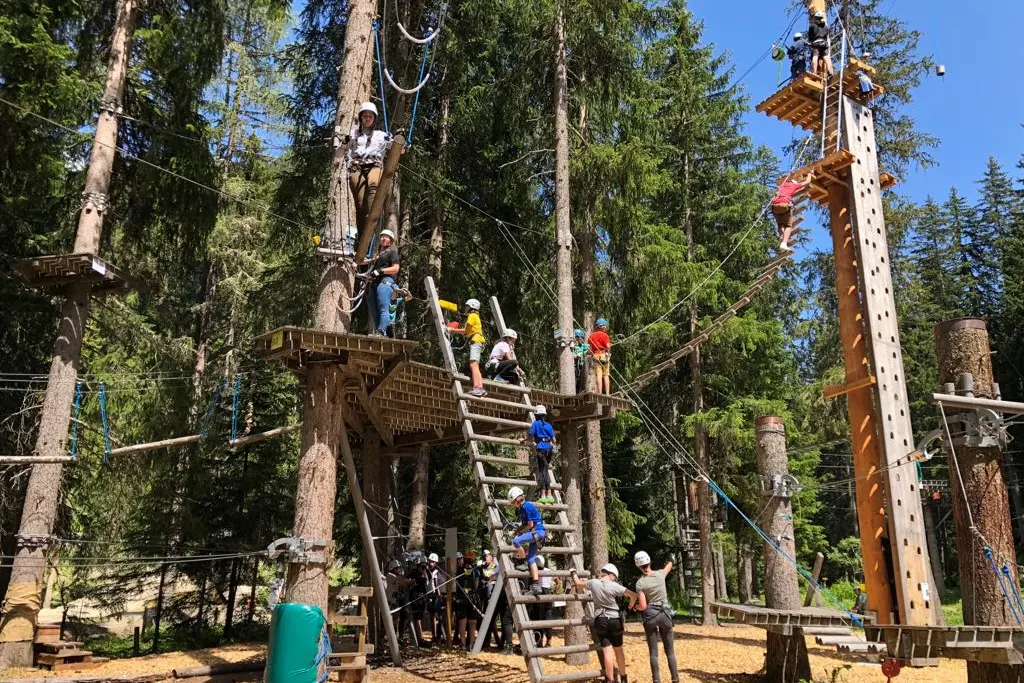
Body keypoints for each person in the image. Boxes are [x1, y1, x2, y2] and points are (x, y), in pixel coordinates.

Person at [569, 564, 637, 683]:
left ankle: (610, 680)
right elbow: (633, 595)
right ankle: (623, 678)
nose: (615, 579)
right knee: (618, 650)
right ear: (611, 575)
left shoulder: (593, 583)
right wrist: (629, 609)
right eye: (615, 577)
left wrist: (573, 572)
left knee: (607, 650)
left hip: (600, 620)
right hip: (615, 619)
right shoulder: (614, 586)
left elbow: (578, 583)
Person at [634, 551, 679, 683]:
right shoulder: (660, 574)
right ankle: (675, 679)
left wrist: (635, 607)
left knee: (653, 653)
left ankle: (656, 680)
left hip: (650, 617)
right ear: (649, 561)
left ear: (638, 566)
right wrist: (671, 560)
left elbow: (643, 606)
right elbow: (669, 566)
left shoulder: (640, 583)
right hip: (664, 614)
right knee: (670, 651)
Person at [346, 102, 390, 231]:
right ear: (361, 117)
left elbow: (398, 149)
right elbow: (340, 152)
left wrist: (403, 144)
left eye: (370, 116)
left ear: (374, 118)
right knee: (361, 203)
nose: (367, 118)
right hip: (357, 167)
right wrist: (343, 143)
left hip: (374, 164)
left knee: (373, 185)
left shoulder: (381, 135)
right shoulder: (353, 134)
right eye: (365, 116)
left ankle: (373, 221)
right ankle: (362, 233)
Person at [358, 229, 400, 336]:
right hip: (374, 285)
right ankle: (385, 332)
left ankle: (382, 331)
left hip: (385, 282)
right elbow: (364, 262)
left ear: (390, 241)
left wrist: (381, 271)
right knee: (374, 312)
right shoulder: (377, 256)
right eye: (382, 236)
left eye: (386, 237)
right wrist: (354, 262)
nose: (383, 238)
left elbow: (396, 268)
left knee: (383, 308)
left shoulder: (392, 253)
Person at [508, 486, 546, 594]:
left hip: (537, 532)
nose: (512, 505)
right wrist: (516, 531)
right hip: (538, 533)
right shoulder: (523, 507)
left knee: (516, 541)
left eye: (512, 502)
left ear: (517, 500)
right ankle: (536, 584)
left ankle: (523, 561)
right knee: (531, 559)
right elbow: (525, 524)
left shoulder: (526, 507)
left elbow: (530, 525)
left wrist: (518, 533)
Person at [449, 298, 487, 396]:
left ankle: (478, 387)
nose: (465, 308)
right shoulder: (475, 316)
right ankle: (479, 387)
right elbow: (467, 331)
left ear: (471, 307)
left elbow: (465, 330)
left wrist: (451, 330)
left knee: (473, 364)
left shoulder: (472, 315)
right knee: (474, 364)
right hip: (477, 341)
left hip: (475, 341)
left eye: (467, 306)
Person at [771, 172, 814, 253]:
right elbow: (807, 182)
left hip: (774, 206)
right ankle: (784, 243)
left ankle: (782, 235)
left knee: (780, 224)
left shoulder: (782, 186)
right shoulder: (794, 185)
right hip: (784, 205)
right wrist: (809, 174)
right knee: (788, 226)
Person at [522, 406, 556, 504]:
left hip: (541, 449)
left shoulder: (536, 424)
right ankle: (550, 495)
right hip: (549, 449)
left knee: (542, 472)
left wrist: (523, 440)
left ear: (536, 415)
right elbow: (554, 440)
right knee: (546, 470)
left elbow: (530, 436)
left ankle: (543, 496)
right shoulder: (548, 425)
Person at [455, 551, 480, 649]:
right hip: (472, 598)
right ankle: (472, 644)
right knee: (472, 622)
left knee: (463, 621)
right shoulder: (475, 571)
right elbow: (476, 586)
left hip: (462, 598)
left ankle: (463, 644)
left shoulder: (459, 571)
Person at [588, 319, 612, 395]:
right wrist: (608, 352)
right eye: (605, 326)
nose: (606, 328)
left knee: (598, 375)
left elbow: (590, 347)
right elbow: (608, 346)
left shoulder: (591, 335)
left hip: (596, 356)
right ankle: (607, 393)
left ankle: (600, 392)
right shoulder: (605, 335)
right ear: (602, 327)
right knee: (606, 375)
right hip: (604, 355)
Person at [807, 10, 832, 77]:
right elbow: (826, 35)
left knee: (815, 55)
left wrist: (810, 43)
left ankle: (814, 72)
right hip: (824, 43)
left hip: (816, 42)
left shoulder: (812, 26)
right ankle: (830, 71)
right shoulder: (825, 27)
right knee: (826, 57)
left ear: (815, 18)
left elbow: (810, 37)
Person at [572, 329, 589, 393]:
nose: (582, 339)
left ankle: (579, 391)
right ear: (576, 338)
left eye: (583, 338)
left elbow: (589, 348)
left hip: (581, 366)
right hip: (574, 365)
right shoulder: (573, 345)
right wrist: (575, 356)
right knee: (575, 379)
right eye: (581, 338)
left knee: (581, 380)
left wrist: (586, 351)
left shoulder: (583, 345)